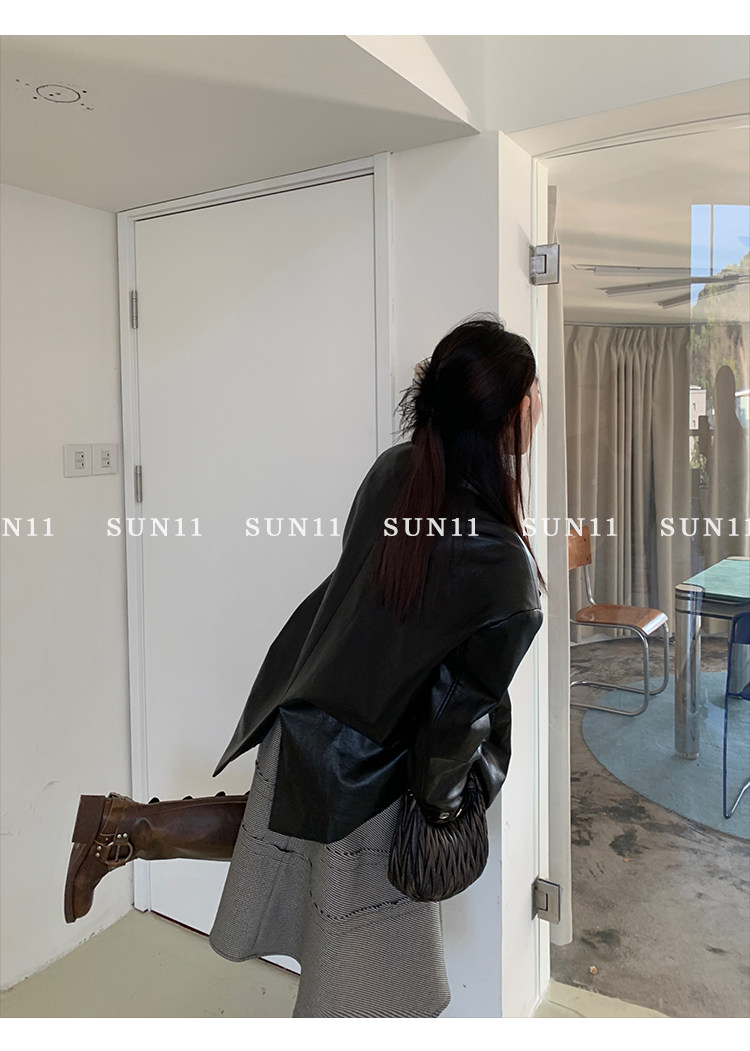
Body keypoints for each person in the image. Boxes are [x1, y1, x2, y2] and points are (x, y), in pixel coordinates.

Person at [64, 313, 546, 1018]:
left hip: (306, 721)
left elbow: (362, 598)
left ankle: (126, 824)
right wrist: (442, 816)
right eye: (533, 392)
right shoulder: (507, 573)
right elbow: (453, 720)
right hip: (376, 783)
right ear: (509, 413)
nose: (538, 406)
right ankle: (125, 826)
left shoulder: (394, 472)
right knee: (365, 993)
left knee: (271, 845)